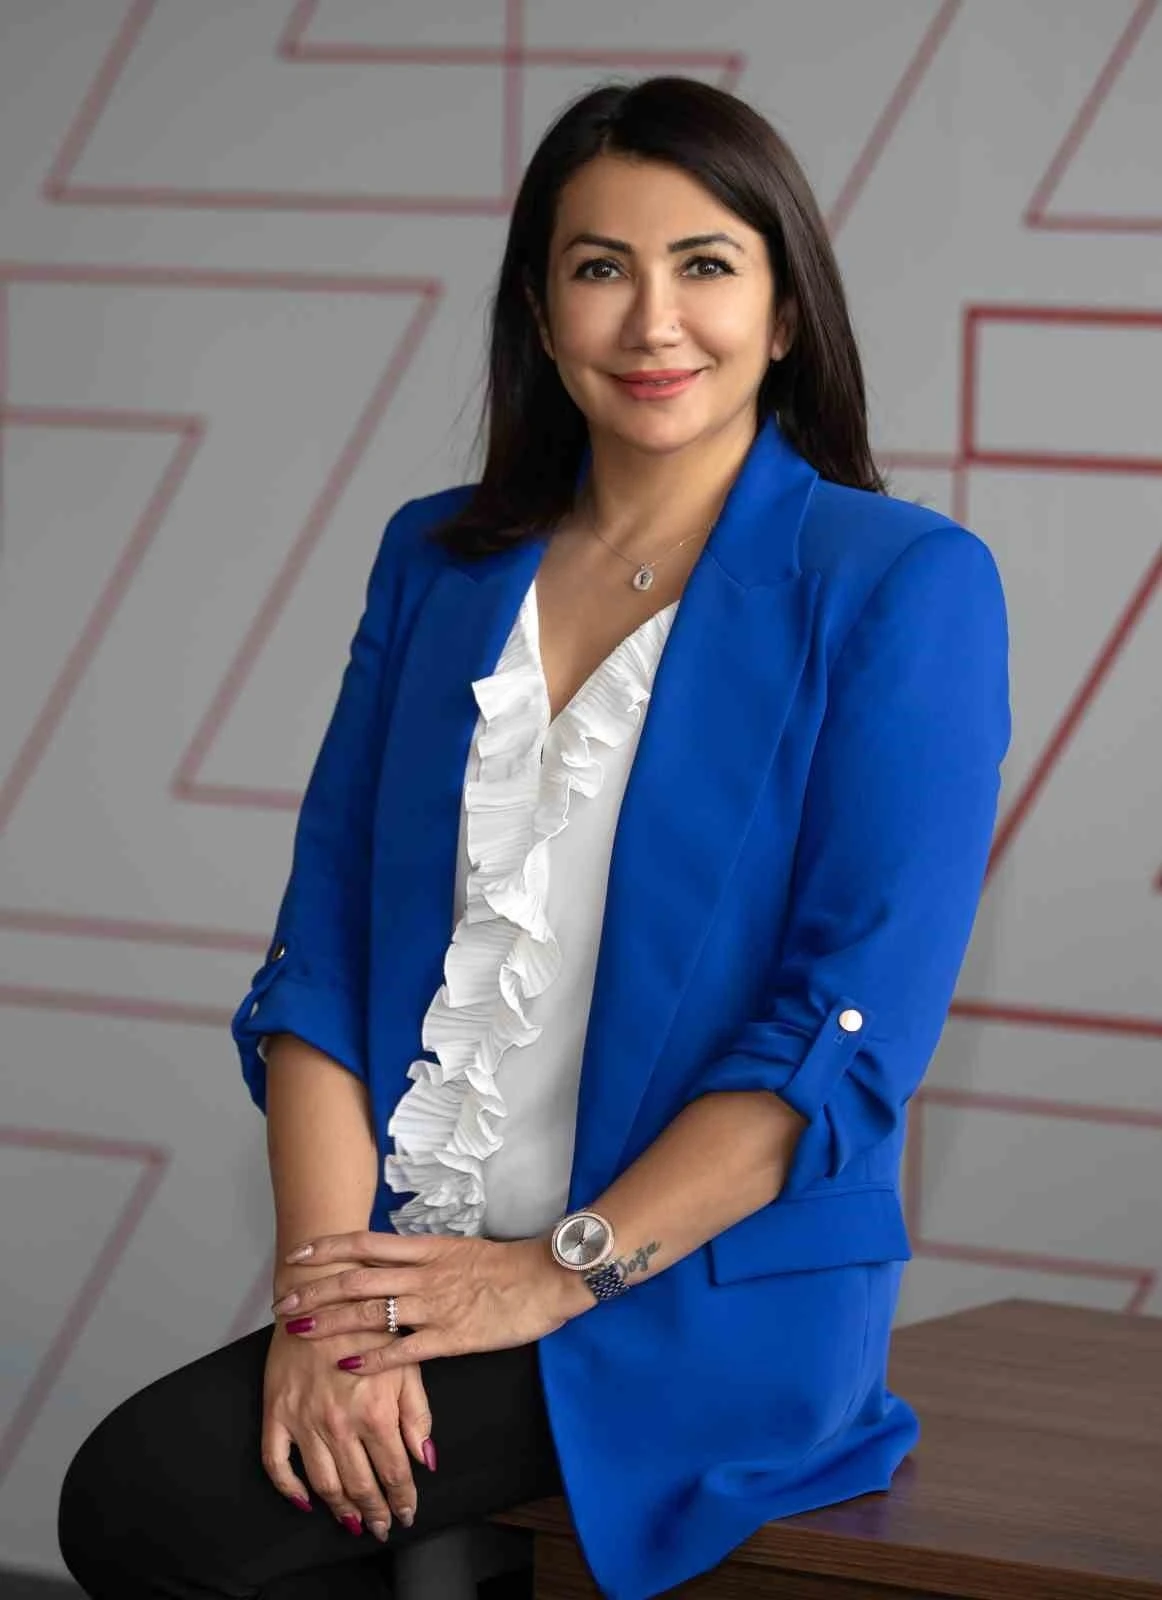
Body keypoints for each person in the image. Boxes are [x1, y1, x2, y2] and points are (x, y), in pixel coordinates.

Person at [57, 73, 1010, 1600]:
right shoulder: (438, 561)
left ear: (783, 313)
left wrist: (546, 1276)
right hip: (421, 1267)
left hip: (693, 1293)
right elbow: (322, 958)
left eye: (705, 265)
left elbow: (841, 1033)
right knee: (197, 1506)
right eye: (599, 267)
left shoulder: (898, 581)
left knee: (159, 1510)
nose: (652, 322)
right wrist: (324, 1308)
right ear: (539, 310)